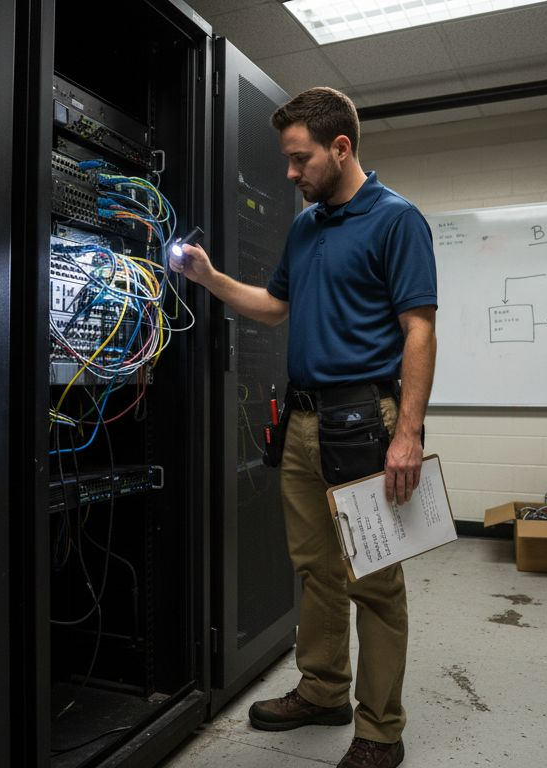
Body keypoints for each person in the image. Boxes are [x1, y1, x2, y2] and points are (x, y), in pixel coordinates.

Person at [170, 86, 436, 768]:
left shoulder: (398, 220)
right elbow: (273, 307)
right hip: (304, 419)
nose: (290, 174)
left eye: (299, 159)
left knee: (374, 579)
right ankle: (322, 690)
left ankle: (381, 731)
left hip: (368, 421)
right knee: (315, 570)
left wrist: (407, 434)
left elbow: (419, 330)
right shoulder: (305, 227)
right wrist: (208, 278)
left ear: (340, 147)